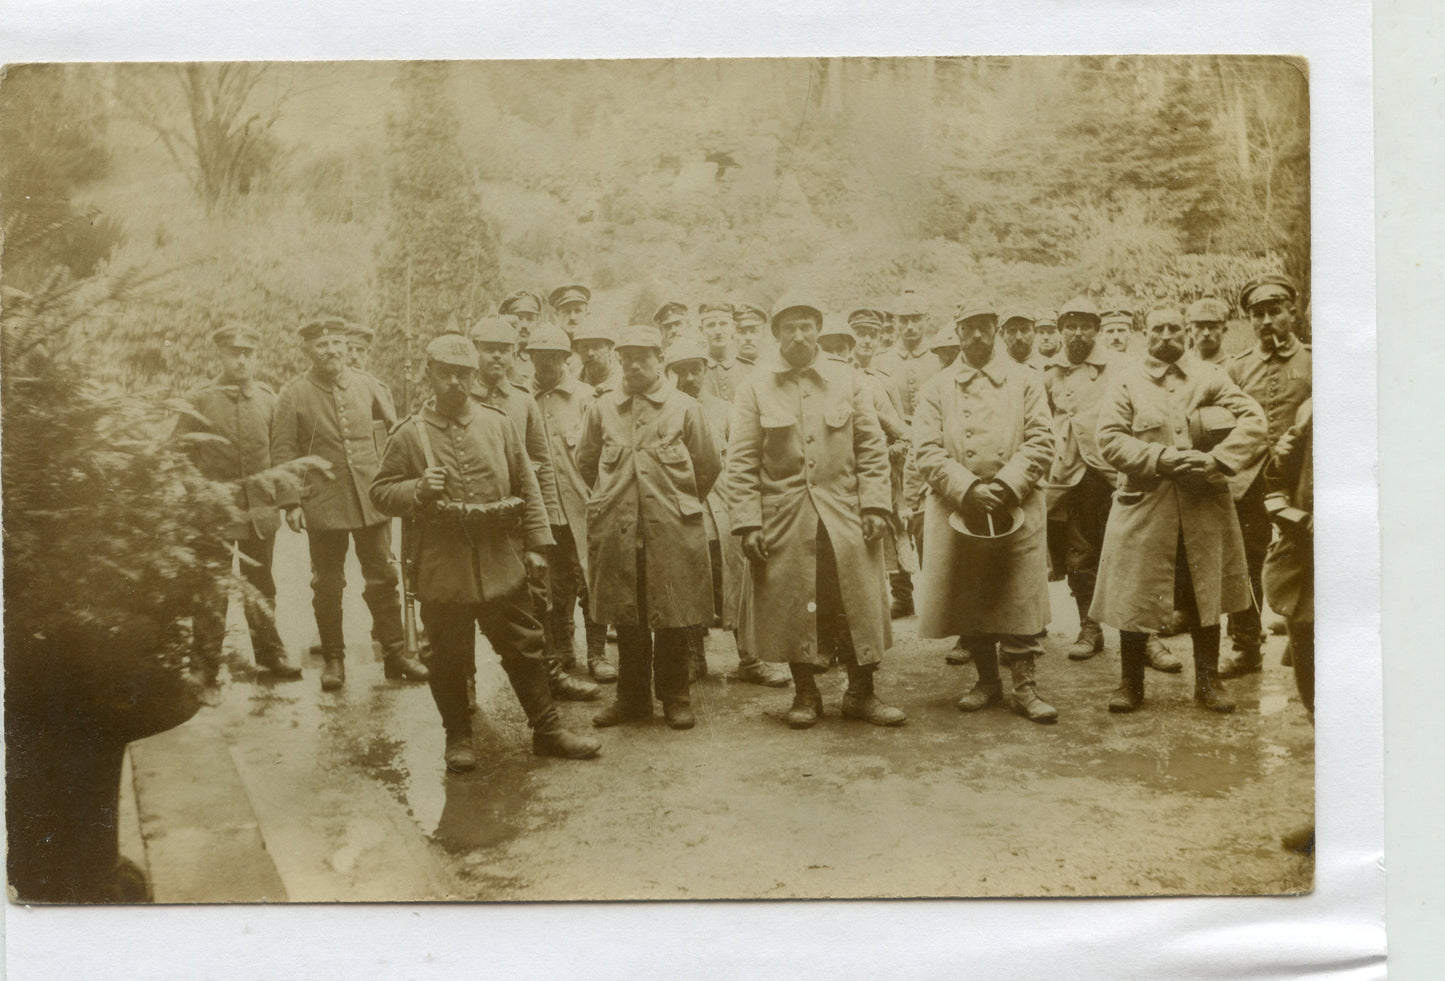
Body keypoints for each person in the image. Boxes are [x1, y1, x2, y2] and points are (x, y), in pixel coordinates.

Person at [370, 333, 601, 771]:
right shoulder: (408, 434)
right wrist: (416, 489)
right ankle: (458, 737)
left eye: (463, 374)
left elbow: (527, 485)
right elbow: (380, 492)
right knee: (448, 657)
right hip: (443, 566)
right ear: (429, 374)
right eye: (446, 373)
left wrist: (535, 546)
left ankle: (547, 731)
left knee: (526, 647)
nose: (455, 383)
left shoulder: (498, 423)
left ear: (474, 377)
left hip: (501, 559)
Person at [726, 294, 903, 730]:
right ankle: (806, 694)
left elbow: (871, 447)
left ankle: (862, 694)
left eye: (807, 325)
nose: (800, 334)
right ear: (777, 334)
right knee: (793, 607)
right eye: (790, 327)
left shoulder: (848, 379)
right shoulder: (755, 385)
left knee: (854, 602)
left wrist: (877, 504)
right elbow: (742, 459)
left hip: (846, 513)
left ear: (818, 329)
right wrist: (748, 522)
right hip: (784, 517)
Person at [1090, 307, 1267, 714]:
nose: (1166, 335)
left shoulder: (1209, 376)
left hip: (1203, 504)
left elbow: (1254, 422)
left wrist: (1218, 459)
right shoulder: (1127, 381)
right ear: (1145, 335)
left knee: (1206, 592)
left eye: (1174, 328)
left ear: (1186, 333)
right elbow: (1109, 439)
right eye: (1158, 329)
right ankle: (1130, 683)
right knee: (1134, 592)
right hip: (1144, 506)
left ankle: (1209, 681)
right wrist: (1159, 457)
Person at [913, 301, 1058, 723]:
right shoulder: (937, 387)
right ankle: (986, 681)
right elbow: (925, 449)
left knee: (1018, 592)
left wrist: (1007, 485)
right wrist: (968, 487)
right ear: (957, 332)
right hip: (958, 504)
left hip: (1018, 500)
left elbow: (1041, 440)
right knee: (969, 592)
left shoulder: (1026, 381)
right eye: (968, 328)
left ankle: (1025, 686)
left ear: (995, 330)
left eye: (984, 328)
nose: (977, 336)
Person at [577, 325, 723, 730]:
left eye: (644, 356)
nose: (635, 364)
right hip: (618, 528)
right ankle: (631, 700)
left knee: (673, 615)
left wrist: (676, 504)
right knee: (628, 617)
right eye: (627, 357)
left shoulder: (684, 407)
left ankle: (676, 697)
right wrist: (618, 500)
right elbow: (586, 462)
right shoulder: (602, 407)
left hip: (673, 528)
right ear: (619, 360)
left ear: (661, 359)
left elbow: (708, 465)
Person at [272, 316, 426, 691]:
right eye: (322, 345)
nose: (331, 351)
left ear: (345, 346)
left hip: (371, 497)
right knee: (327, 583)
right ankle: (334, 660)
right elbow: (283, 451)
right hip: (323, 502)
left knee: (383, 577)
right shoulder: (293, 394)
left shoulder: (368, 385)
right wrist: (291, 501)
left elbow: (395, 437)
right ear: (308, 349)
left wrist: (402, 486)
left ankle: (395, 655)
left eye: (337, 343)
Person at [469, 316, 599, 704]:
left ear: (513, 355)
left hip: (518, 522)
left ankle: (551, 675)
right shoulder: (462, 395)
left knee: (536, 599)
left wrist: (539, 536)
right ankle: (466, 683)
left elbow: (538, 470)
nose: (496, 356)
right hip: (473, 522)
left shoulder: (522, 401)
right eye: (488, 348)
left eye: (504, 349)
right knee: (468, 604)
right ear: (475, 351)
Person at [176, 324, 303, 684]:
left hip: (259, 514)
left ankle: (269, 654)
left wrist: (288, 500)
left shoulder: (267, 399)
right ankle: (204, 663)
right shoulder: (200, 400)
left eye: (248, 353)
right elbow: (180, 454)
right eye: (235, 353)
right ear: (221, 355)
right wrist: (199, 496)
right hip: (214, 514)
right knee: (211, 587)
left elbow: (281, 454)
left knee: (262, 585)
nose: (242, 359)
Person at [665, 338, 791, 687]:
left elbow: (745, 461)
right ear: (670, 373)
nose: (689, 377)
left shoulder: (726, 409)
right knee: (690, 577)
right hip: (683, 506)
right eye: (681, 370)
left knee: (737, 580)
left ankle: (749, 658)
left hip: (724, 503)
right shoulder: (666, 408)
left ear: (706, 370)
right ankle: (694, 655)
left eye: (695, 369)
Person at [1219, 274, 1312, 678]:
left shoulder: (1314, 361)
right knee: (1244, 559)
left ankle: (1302, 637)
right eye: (1257, 314)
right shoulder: (1236, 369)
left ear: (1292, 312)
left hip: (1304, 481)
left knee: (1308, 559)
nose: (1267, 321)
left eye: (1275, 311)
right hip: (1252, 478)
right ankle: (1245, 645)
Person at [528, 325, 618, 684]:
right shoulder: (523, 399)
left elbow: (602, 452)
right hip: (543, 510)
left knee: (590, 579)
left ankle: (597, 653)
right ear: (530, 358)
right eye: (539, 356)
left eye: (554, 357)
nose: (546, 363)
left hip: (584, 507)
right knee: (552, 584)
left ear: (568, 359)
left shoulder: (586, 397)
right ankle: (563, 649)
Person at [1041, 296, 1118, 663]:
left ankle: (1144, 634)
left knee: (1126, 549)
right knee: (1079, 553)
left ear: (1097, 330)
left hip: (1110, 471)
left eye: (1086, 325)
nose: (1077, 333)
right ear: (1060, 331)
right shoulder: (1049, 373)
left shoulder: (1118, 368)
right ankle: (1090, 627)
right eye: (1070, 325)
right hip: (1068, 475)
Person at [1262, 397, 1314, 853]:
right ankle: (1332, 813)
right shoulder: (1310, 411)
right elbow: (1275, 484)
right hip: (1309, 572)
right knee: (1316, 696)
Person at [848, 309, 917, 620]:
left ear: (879, 339)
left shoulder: (885, 381)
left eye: (871, 334)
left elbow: (900, 428)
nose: (865, 340)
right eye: (859, 333)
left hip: (884, 464)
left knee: (893, 525)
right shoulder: (837, 375)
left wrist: (889, 461)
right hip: (845, 464)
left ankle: (902, 596)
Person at [699, 301, 749, 402]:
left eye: (723, 324)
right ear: (701, 330)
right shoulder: (694, 369)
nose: (718, 331)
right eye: (711, 325)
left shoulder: (749, 370)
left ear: (733, 327)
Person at [499, 288, 547, 386]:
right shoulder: (496, 353)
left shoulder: (545, 356)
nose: (524, 325)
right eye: (519, 318)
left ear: (538, 322)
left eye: (530, 319)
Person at [574, 321, 620, 394]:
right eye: (584, 347)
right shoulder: (573, 382)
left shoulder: (624, 382)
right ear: (577, 350)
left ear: (609, 347)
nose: (590, 353)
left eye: (596, 346)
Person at [1186, 296, 1233, 366]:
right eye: (1200, 327)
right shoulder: (1183, 365)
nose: (1206, 333)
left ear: (1224, 331)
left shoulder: (1234, 366)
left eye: (1212, 327)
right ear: (1190, 331)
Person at [732, 302, 769, 367]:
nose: (748, 338)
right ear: (732, 335)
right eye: (742, 332)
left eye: (754, 332)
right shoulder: (726, 371)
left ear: (763, 334)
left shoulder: (772, 367)